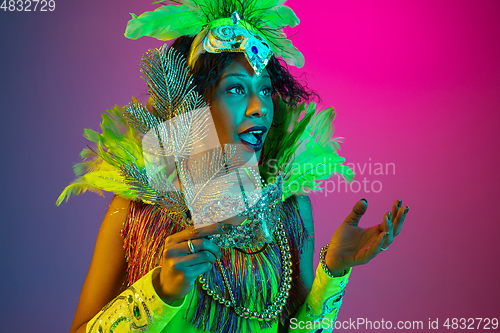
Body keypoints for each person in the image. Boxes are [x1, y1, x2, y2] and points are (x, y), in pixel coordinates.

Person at [58, 1, 409, 332]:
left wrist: (333, 271)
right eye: (237, 89)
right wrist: (158, 292)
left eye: (266, 90)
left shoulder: (290, 212)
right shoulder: (136, 214)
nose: (260, 108)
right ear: (194, 104)